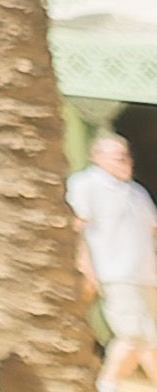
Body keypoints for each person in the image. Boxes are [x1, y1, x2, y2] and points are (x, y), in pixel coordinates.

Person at [72, 130, 157, 390]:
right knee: (139, 334)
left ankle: (108, 383)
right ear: (97, 157)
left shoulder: (137, 192)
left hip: (147, 275)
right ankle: (107, 383)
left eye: (127, 157)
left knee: (140, 336)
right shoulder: (86, 183)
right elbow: (78, 226)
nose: (126, 162)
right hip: (115, 272)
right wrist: (86, 267)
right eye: (119, 157)